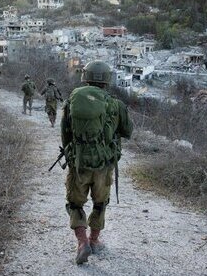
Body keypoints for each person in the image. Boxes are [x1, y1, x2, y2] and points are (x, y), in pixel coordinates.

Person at [60, 60, 133, 264]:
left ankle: (82, 242)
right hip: (104, 165)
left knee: (75, 203)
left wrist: (73, 154)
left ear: (85, 77)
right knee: (100, 203)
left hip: (79, 163)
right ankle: (94, 240)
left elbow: (65, 134)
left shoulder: (72, 100)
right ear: (107, 81)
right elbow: (128, 132)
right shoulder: (115, 104)